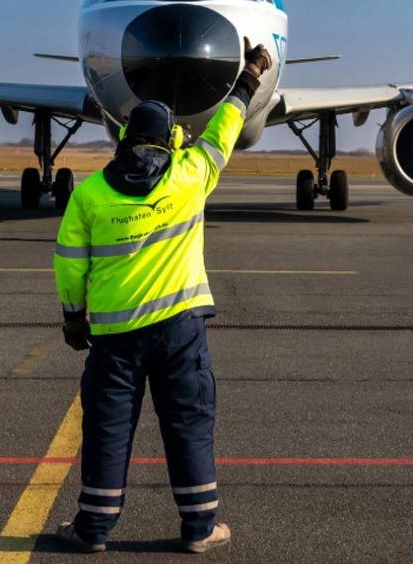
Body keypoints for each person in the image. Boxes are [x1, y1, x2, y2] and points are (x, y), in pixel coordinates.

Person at [52, 39, 273, 554]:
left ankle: (93, 529)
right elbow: (226, 127)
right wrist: (250, 75)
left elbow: (68, 263)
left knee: (107, 430)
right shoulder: (189, 176)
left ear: (123, 138)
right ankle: (199, 529)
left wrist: (73, 318)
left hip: (113, 337)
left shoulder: (89, 194)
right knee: (188, 425)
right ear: (171, 139)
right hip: (179, 331)